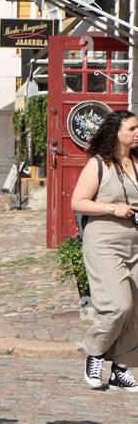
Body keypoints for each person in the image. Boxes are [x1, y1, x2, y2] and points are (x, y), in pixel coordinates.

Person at [71, 109, 138, 393]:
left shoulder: (136, 162)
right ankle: (95, 352)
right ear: (116, 132)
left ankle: (121, 368)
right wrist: (113, 208)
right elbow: (78, 202)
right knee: (118, 304)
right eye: (132, 129)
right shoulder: (99, 165)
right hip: (104, 241)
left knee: (135, 308)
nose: (137, 133)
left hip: (135, 241)